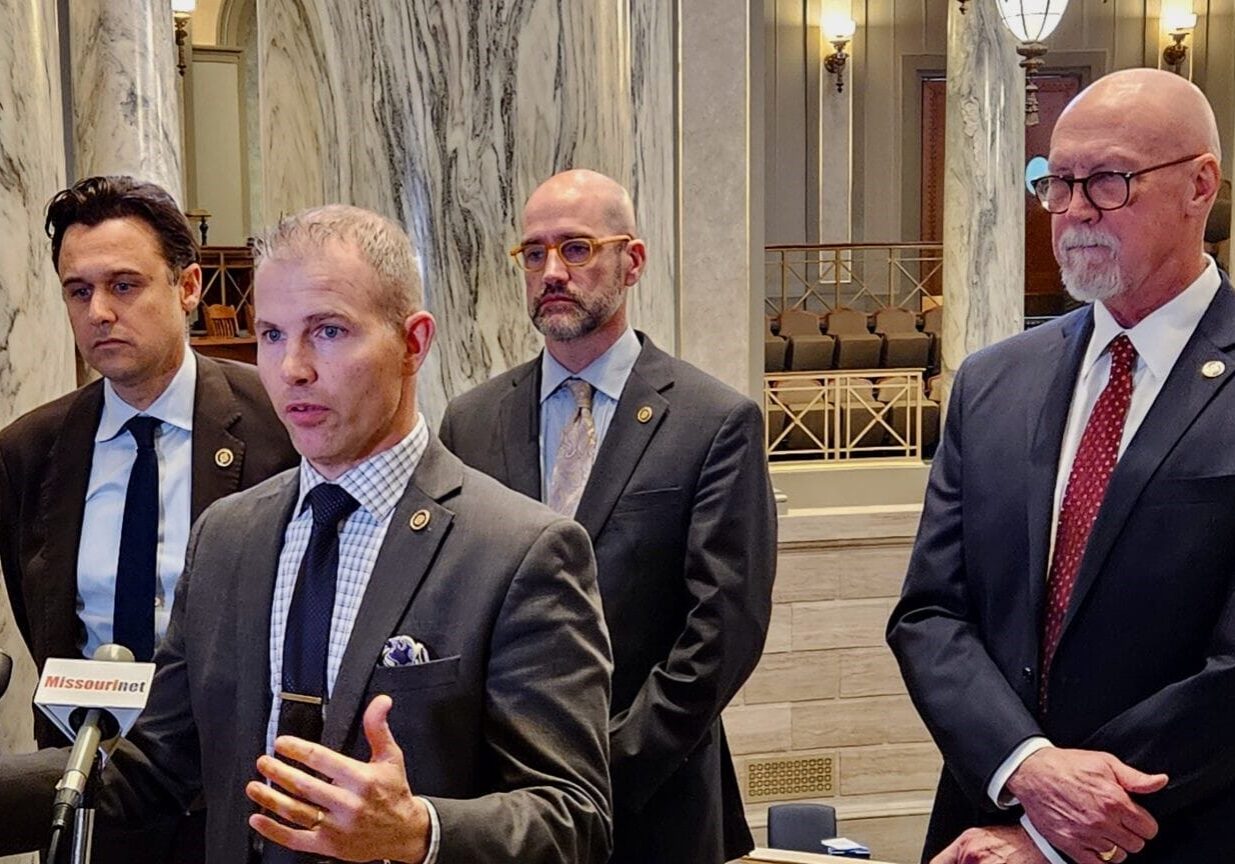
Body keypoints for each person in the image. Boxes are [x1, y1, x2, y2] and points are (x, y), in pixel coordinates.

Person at [0, 204, 613, 863]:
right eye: (271, 334)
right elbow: (153, 767)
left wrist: (419, 831)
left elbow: (573, 817)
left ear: (413, 343)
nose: (292, 367)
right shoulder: (227, 537)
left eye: (327, 331)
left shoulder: (519, 550)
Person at [887, 69, 1234, 864]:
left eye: (1108, 180)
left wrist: (1051, 830)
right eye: (1055, 182)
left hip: (1179, 832)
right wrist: (1026, 768)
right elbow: (929, 614)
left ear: (1198, 186)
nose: (1074, 210)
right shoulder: (992, 381)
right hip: (985, 824)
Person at [438, 168, 775, 864]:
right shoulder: (471, 422)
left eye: (577, 248)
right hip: (499, 806)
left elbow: (723, 630)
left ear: (633, 261)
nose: (552, 272)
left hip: (654, 802)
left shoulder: (713, 422)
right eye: (534, 253)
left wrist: (599, 774)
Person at [0, 176, 297, 861]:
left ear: (188, 287)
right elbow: (42, 616)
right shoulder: (28, 452)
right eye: (79, 291)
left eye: (124, 285)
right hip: (87, 791)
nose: (100, 312)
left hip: (238, 794)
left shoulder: (278, 426)